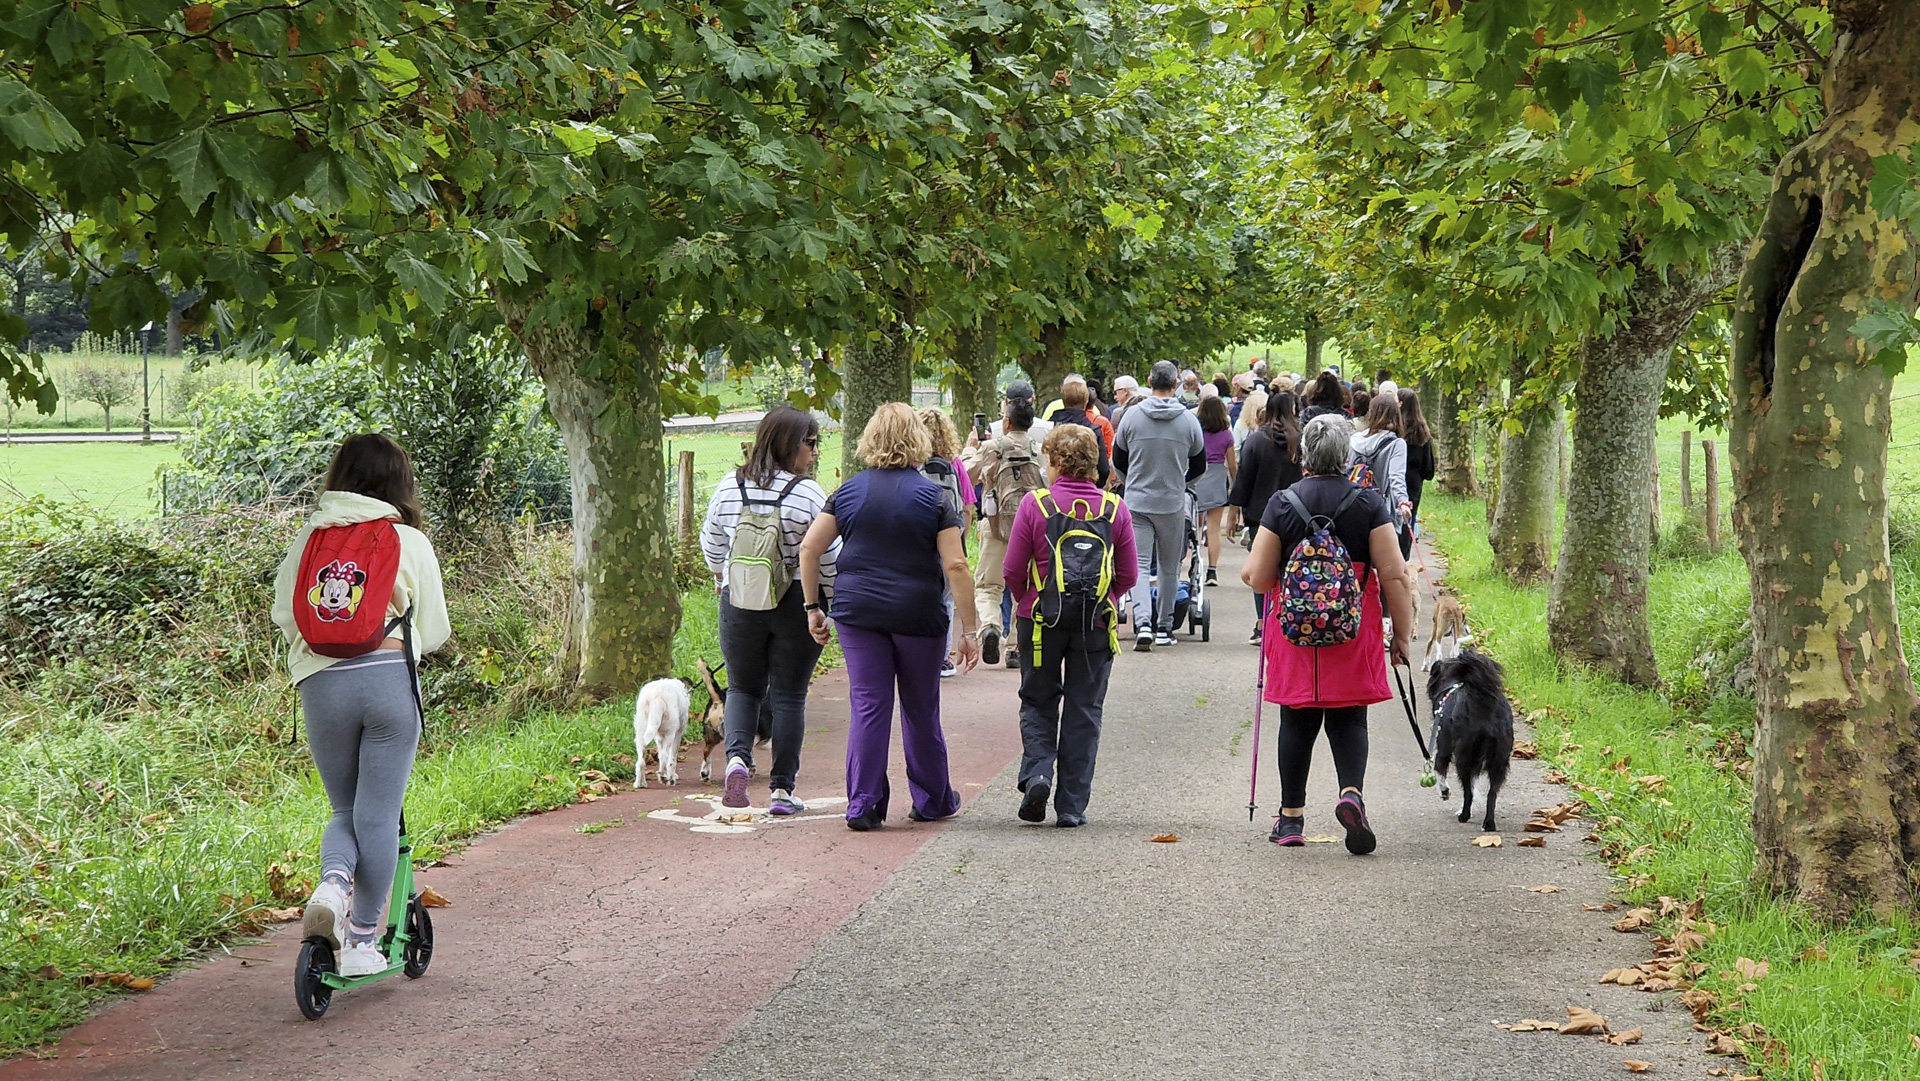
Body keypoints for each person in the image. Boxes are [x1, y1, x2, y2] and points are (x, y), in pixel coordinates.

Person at [273, 434, 450, 977]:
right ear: (400, 483)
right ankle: (361, 942)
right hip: (387, 684)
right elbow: (435, 631)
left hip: (321, 685)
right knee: (378, 816)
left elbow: (285, 614)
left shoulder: (310, 538)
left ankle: (332, 885)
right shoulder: (407, 540)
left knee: (344, 811)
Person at [799, 403, 981, 831]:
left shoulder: (847, 492)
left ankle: (863, 804)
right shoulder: (934, 497)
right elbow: (956, 565)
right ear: (918, 439)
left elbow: (809, 548)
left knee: (868, 704)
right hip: (918, 612)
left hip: (858, 612)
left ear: (870, 439)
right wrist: (969, 629)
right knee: (920, 707)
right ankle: (932, 798)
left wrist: (812, 607)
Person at [1242, 415, 1415, 854]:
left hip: (1294, 630)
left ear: (1304, 454)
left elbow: (1257, 577)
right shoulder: (1368, 503)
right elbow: (1395, 575)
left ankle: (1290, 819)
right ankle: (1351, 794)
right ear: (1346, 455)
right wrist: (1402, 634)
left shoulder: (1283, 503)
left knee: (1296, 719)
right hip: (1352, 628)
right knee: (1350, 716)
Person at [700, 407, 838, 815]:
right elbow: (830, 556)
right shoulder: (808, 494)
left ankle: (737, 761)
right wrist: (827, 604)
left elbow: (711, 543)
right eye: (810, 443)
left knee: (743, 687)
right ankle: (782, 791)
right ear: (789, 445)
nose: (815, 452)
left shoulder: (729, 486)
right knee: (790, 695)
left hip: (740, 599)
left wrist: (721, 575)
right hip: (796, 600)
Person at [1003, 425, 1138, 827]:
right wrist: (1103, 600)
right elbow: (1128, 575)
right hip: (1094, 622)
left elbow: (1012, 569)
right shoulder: (1114, 509)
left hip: (1040, 622)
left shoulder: (1035, 505)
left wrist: (1028, 600)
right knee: (1084, 709)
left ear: (1055, 461)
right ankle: (1072, 806)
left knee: (1038, 700)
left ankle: (1038, 775)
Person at [1113, 360, 1206, 650]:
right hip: (1172, 502)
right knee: (1169, 566)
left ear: (1149, 381)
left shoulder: (1131, 417)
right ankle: (1164, 627)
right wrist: (1181, 484)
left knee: (1139, 564)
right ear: (1176, 383)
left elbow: (1119, 460)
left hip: (1138, 501)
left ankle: (1142, 623)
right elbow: (1199, 465)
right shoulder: (1189, 420)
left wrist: (1131, 483)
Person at [963, 393, 1047, 671]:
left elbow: (966, 477)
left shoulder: (992, 448)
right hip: (1031, 530)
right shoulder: (1039, 450)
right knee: (1025, 587)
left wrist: (970, 450)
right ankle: (1015, 646)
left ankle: (990, 626)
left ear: (1006, 423)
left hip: (996, 525)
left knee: (988, 586)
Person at [1228, 389, 1302, 644]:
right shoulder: (1300, 441)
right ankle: (1289, 616)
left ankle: (1262, 622)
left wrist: (1234, 512)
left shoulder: (1256, 440)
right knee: (1290, 567)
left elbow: (1244, 478)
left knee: (1261, 568)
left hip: (1260, 515)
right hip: (1296, 514)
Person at [919, 407, 978, 677]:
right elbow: (967, 506)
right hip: (948, 540)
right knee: (946, 598)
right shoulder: (954, 464)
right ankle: (942, 659)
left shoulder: (911, 463)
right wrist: (960, 539)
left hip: (918, 541)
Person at [1350, 394, 1413, 531]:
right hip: (1382, 511)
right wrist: (1403, 501)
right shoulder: (1396, 444)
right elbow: (1396, 476)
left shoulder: (1355, 440)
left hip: (1354, 506)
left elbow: (1348, 471)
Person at [1193, 391, 1237, 584]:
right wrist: (1235, 483)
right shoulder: (1227, 435)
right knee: (1213, 528)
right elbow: (1232, 464)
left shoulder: (1197, 433)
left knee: (1194, 526)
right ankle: (1212, 571)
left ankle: (1195, 564)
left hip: (1197, 476)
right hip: (1217, 478)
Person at [1046, 376, 1113, 481]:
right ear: (1086, 402)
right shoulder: (1093, 430)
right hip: (1087, 486)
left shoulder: (1049, 426)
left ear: (1063, 400)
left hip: (1053, 486)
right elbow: (1103, 470)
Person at [1397, 388, 1436, 559]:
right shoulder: (1423, 433)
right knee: (1408, 520)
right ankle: (1404, 556)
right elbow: (1429, 469)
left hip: (1395, 478)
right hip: (1414, 483)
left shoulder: (1395, 432)